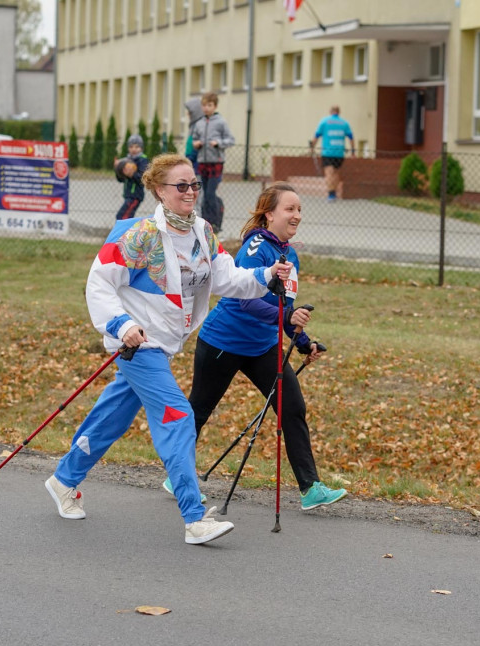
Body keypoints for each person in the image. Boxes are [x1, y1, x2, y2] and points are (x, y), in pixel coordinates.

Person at [45, 154, 293, 545]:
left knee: (111, 418)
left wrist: (264, 275)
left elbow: (226, 278)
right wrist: (121, 324)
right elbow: (99, 283)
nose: (191, 192)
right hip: (138, 345)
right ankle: (195, 518)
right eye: (181, 186)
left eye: (194, 184)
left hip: (162, 347)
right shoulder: (139, 234)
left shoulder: (202, 232)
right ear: (159, 191)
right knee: (178, 419)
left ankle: (64, 479)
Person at [163, 182, 348, 511]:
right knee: (199, 411)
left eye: (299, 210)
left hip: (263, 346)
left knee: (292, 407)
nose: (297, 215)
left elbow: (283, 311)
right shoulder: (255, 247)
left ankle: (310, 488)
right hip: (224, 341)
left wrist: (304, 343)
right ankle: (177, 477)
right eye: (290, 209)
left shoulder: (290, 256)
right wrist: (288, 315)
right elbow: (247, 303)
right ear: (269, 214)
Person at [191, 92, 234, 233]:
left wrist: (218, 143)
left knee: (210, 194)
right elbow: (193, 140)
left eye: (209, 105)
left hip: (216, 162)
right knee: (203, 194)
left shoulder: (221, 122)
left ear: (215, 106)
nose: (206, 108)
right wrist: (196, 143)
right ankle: (205, 222)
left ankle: (215, 223)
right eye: (204, 105)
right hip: (202, 162)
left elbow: (230, 140)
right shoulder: (199, 123)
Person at [310, 106, 355, 202]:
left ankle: (331, 194)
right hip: (339, 152)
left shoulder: (324, 121)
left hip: (328, 152)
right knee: (336, 172)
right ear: (339, 112)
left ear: (331, 112)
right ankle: (334, 192)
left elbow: (317, 135)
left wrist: (312, 147)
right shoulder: (344, 123)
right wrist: (353, 151)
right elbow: (351, 137)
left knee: (329, 172)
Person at [114, 134, 149, 220]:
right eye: (131, 146)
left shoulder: (143, 160)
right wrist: (117, 169)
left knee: (122, 217)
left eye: (137, 147)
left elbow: (142, 178)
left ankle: (123, 233)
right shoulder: (126, 160)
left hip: (135, 196)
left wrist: (131, 174)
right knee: (125, 217)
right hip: (128, 195)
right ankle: (127, 233)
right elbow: (121, 179)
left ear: (141, 148)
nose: (134, 149)